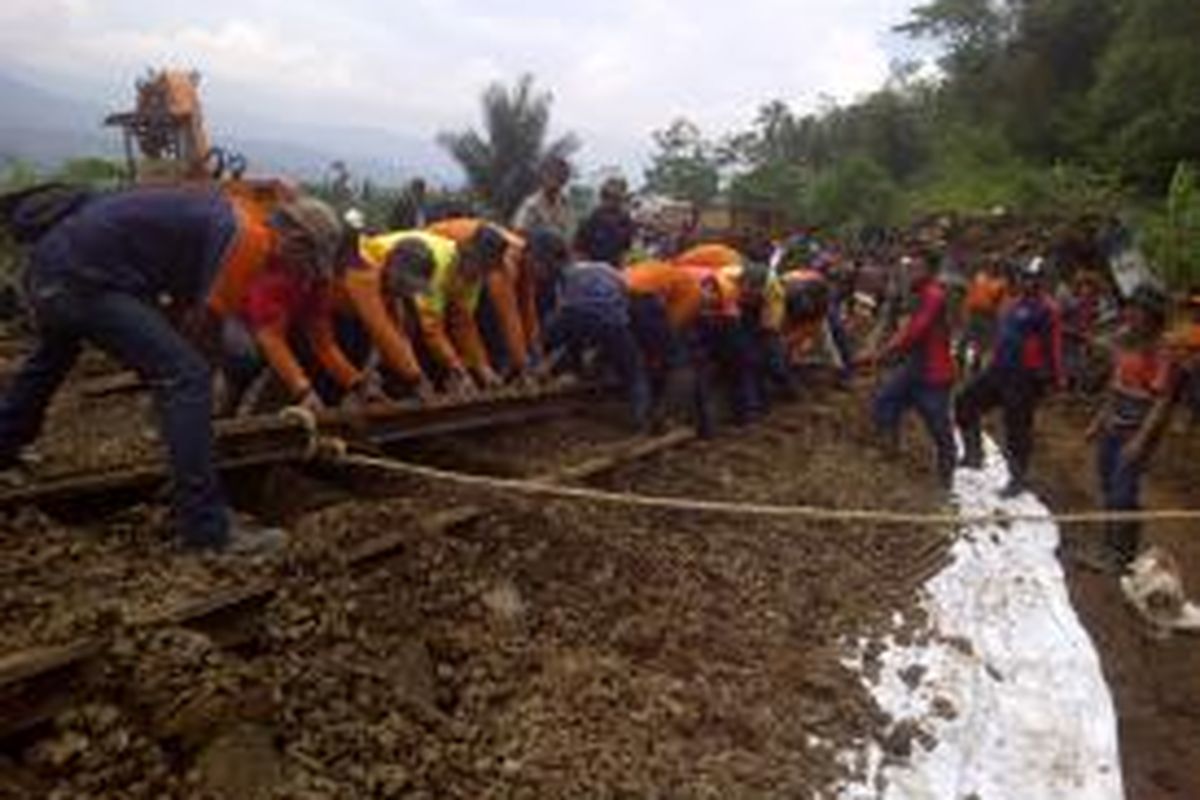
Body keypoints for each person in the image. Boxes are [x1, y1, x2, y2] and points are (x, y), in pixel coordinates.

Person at [0, 185, 343, 552]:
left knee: (54, 356)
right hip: (84, 280)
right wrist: (193, 400)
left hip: (51, 270)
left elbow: (182, 309)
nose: (299, 271)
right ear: (295, 236)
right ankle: (208, 530)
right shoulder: (250, 239)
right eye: (305, 261)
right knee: (187, 377)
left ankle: (4, 444)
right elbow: (206, 327)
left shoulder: (225, 216)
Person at [1083, 284, 1178, 572]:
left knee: (1123, 492)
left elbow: (1162, 402)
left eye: (1140, 311)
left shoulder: (1161, 352)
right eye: (1132, 309)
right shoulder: (1124, 342)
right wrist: (1098, 421)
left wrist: (1140, 440)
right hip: (1114, 426)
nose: (1132, 315)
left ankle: (1120, 553)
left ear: (1153, 317)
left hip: (1135, 431)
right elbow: (1115, 387)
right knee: (1108, 485)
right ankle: (1110, 545)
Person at [956, 257, 1064, 497]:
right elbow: (1000, 334)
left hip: (1024, 377)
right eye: (1026, 277)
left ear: (1042, 282)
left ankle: (1018, 478)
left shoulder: (1047, 309)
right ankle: (974, 454)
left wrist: (1053, 380)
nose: (1028, 282)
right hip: (998, 369)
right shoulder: (1011, 304)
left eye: (1034, 279)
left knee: (1017, 429)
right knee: (964, 402)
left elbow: (1053, 346)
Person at [867, 249, 957, 488]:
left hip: (934, 372)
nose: (910, 273)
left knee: (938, 426)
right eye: (910, 268)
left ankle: (946, 477)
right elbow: (900, 325)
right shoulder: (916, 294)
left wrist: (884, 353)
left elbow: (916, 331)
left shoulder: (933, 296)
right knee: (885, 402)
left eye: (917, 268)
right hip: (913, 367)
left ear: (930, 271)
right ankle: (891, 449)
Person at [542, 240, 649, 430]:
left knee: (563, 333)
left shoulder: (565, 274)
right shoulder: (608, 270)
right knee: (634, 370)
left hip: (574, 318)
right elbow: (624, 294)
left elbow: (562, 305)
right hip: (611, 321)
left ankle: (536, 370)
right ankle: (639, 418)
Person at [427, 217, 540, 381]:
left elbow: (527, 306)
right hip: (425, 256)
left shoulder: (521, 257)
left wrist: (535, 347)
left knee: (462, 317)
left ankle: (473, 369)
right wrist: (522, 364)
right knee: (438, 321)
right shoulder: (500, 267)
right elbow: (508, 316)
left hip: (461, 258)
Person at [958, 258, 1009, 374]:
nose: (993, 267)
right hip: (974, 314)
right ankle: (961, 361)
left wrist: (1000, 318)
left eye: (996, 265)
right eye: (991, 264)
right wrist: (965, 311)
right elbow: (970, 295)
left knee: (981, 344)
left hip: (988, 317)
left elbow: (1002, 303)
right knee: (965, 340)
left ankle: (976, 365)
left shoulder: (1001, 282)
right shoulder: (979, 277)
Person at [574, 177, 636, 268]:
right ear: (602, 197)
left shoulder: (626, 221)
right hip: (594, 269)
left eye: (618, 197)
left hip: (618, 270)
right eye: (609, 196)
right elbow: (579, 249)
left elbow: (627, 248)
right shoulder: (590, 220)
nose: (614, 201)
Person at [512, 156, 574, 241]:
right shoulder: (531, 204)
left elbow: (568, 236)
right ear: (544, 176)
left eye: (560, 177)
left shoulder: (565, 205)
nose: (555, 181)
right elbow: (518, 231)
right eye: (552, 175)